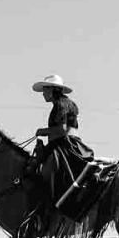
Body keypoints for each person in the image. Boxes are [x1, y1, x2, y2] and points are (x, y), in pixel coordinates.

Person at [28, 74, 95, 228]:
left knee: (46, 173)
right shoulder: (66, 103)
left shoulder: (61, 105)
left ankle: (49, 210)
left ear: (52, 90)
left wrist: (43, 131)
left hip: (64, 145)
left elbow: (62, 129)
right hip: (67, 143)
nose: (43, 94)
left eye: (45, 90)